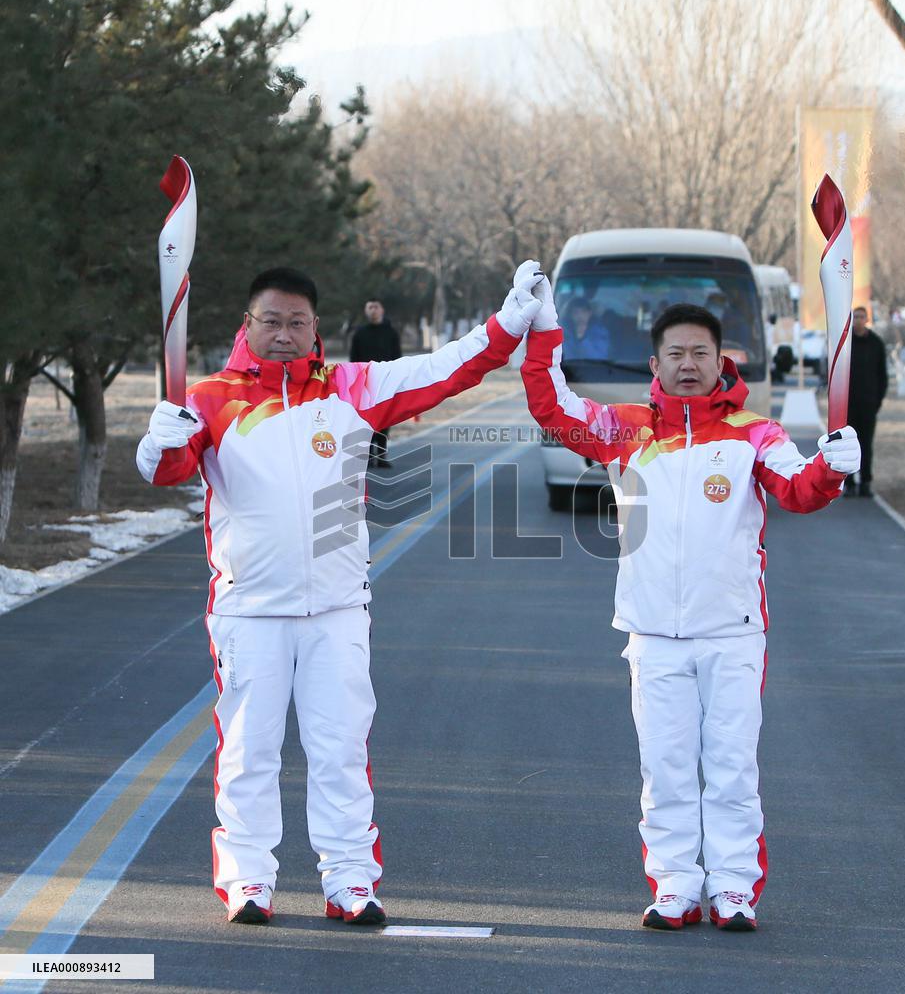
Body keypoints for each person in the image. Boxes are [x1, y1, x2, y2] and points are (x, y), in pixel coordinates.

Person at [136, 264, 543, 927]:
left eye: (298, 322)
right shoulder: (210, 397)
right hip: (250, 611)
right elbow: (167, 472)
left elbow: (450, 368)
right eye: (272, 321)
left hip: (336, 611)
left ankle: (351, 881)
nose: (285, 334)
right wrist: (159, 439)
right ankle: (248, 883)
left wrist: (510, 321)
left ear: (316, 329)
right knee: (248, 752)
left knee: (341, 750)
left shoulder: (354, 388)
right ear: (248, 325)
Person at [522, 277, 861, 932]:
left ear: (718, 360)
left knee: (732, 767)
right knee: (667, 767)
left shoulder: (753, 434)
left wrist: (832, 468)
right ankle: (675, 884)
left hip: (732, 633)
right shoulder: (622, 429)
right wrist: (542, 331)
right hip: (653, 634)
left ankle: (733, 888)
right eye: (674, 353)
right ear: (655, 365)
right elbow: (550, 407)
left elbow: (799, 491)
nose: (687, 364)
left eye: (699, 353)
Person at [350, 299, 402, 468]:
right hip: (366, 383)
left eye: (376, 307)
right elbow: (353, 359)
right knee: (367, 419)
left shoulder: (391, 333)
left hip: (386, 382)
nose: (373, 310)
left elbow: (397, 358)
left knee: (386, 419)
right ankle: (368, 455)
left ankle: (381, 455)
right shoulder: (360, 333)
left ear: (382, 309)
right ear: (366, 311)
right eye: (370, 307)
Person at [846, 305, 888, 497]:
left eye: (862, 317)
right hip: (848, 405)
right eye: (855, 317)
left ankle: (865, 483)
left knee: (866, 444)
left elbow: (882, 375)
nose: (859, 320)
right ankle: (849, 484)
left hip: (868, 404)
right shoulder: (846, 343)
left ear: (867, 319)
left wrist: (877, 400)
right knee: (847, 445)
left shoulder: (876, 343)